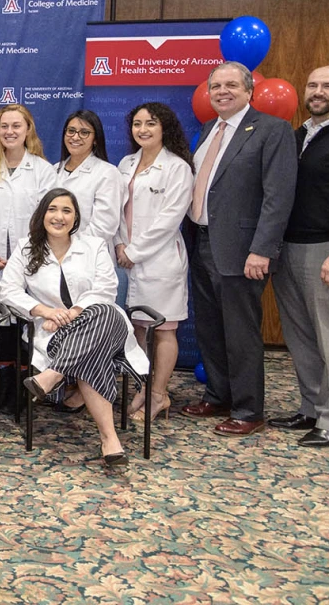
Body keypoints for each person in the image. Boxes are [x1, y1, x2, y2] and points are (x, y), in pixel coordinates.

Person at [183, 61, 297, 437]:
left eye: (231, 85)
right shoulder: (208, 128)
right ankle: (219, 395)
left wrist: (262, 249)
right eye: (216, 86)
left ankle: (249, 410)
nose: (222, 92)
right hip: (201, 242)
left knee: (241, 331)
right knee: (211, 327)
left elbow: (278, 196)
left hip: (242, 249)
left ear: (250, 91)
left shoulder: (271, 130)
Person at [0, 188, 149, 466]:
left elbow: (107, 288)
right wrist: (45, 311)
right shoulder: (25, 248)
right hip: (54, 331)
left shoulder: (93, 246)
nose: (59, 216)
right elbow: (8, 290)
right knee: (91, 356)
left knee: (104, 311)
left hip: (103, 324)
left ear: (76, 217)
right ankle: (109, 440)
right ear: (42, 214)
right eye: (53, 209)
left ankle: (54, 374)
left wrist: (76, 312)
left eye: (67, 210)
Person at [270, 66, 329, 448]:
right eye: (313, 85)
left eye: (328, 85)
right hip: (289, 249)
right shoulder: (297, 136)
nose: (318, 91)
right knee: (301, 337)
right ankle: (311, 407)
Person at [115, 102, 194, 421]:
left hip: (159, 260)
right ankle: (141, 389)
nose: (143, 129)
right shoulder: (125, 163)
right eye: (137, 124)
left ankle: (159, 395)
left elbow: (169, 219)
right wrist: (121, 244)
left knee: (163, 329)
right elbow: (116, 209)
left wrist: (134, 252)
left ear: (165, 128)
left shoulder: (177, 168)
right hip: (124, 256)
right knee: (135, 328)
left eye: (150, 123)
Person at [0, 104, 55, 289]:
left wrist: (34, 251)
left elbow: (49, 217)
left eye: (16, 126)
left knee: (30, 311)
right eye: (4, 126)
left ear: (28, 129)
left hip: (34, 257)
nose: (9, 132)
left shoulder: (43, 170)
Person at [54, 109, 124, 250]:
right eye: (71, 131)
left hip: (90, 253)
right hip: (54, 251)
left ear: (96, 139)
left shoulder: (107, 173)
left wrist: (72, 248)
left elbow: (104, 226)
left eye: (84, 133)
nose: (75, 137)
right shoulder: (53, 170)